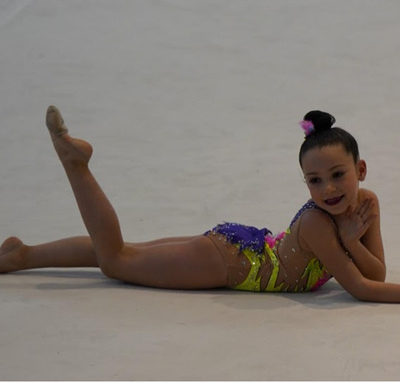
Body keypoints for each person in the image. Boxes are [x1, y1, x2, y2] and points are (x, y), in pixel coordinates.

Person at [1, 106, 400, 302]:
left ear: (361, 169)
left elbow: (376, 273)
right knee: (116, 260)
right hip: (230, 263)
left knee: (126, 250)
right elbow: (361, 288)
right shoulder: (317, 223)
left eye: (337, 174)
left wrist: (352, 240)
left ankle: (22, 255)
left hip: (243, 247)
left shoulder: (367, 204)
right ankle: (77, 167)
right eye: (314, 180)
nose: (328, 189)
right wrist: (349, 242)